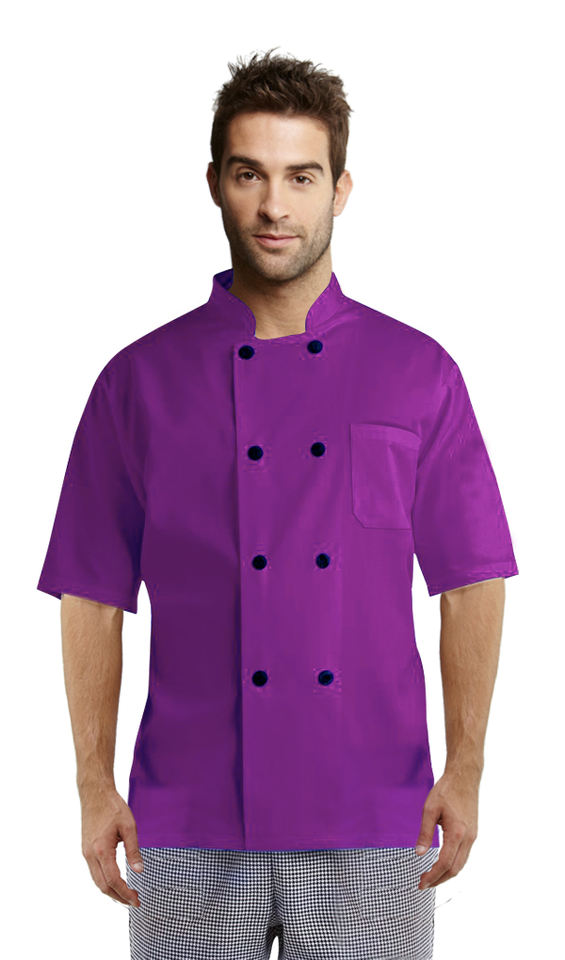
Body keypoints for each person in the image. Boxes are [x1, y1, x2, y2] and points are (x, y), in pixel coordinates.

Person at [37, 47, 519, 960]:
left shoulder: (418, 373)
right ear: (214, 185)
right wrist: (93, 784)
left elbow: (471, 582)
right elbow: (90, 594)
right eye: (249, 173)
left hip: (376, 810)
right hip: (183, 816)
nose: (273, 206)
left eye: (300, 176)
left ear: (341, 189)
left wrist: (466, 767)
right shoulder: (138, 382)